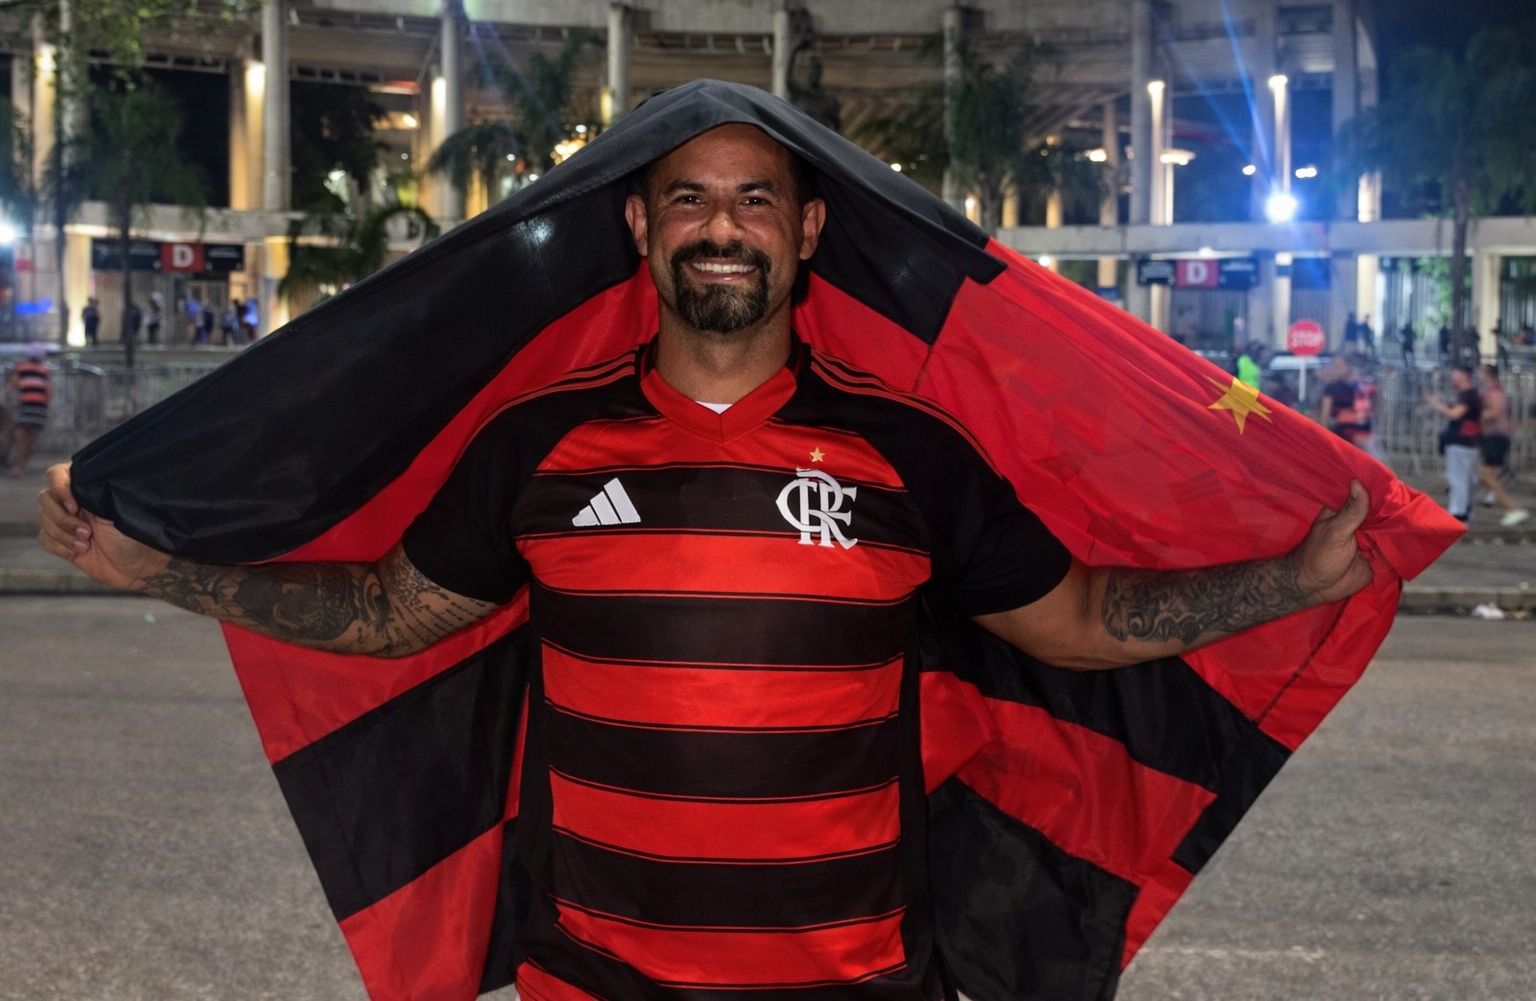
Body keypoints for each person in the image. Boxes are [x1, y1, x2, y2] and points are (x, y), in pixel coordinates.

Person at [40, 122, 1374, 1001]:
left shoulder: (912, 450)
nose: (720, 225)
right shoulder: (541, 444)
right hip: (597, 982)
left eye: (754, 200)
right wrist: (163, 570)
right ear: (640, 233)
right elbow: (392, 612)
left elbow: (1078, 621)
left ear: (806, 236)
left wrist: (1291, 585)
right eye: (688, 200)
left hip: (860, 983)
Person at [1426, 365, 1483, 521]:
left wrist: (1436, 405)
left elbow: (1455, 414)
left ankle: (1458, 511)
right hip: (1469, 442)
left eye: (1454, 373)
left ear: (1463, 375)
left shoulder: (1467, 395)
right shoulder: (1472, 395)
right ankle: (1465, 510)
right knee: (1467, 478)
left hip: (1461, 442)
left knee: (1458, 478)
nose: (1451, 377)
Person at [1475, 363, 1528, 527]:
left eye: (1481, 372)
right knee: (1487, 477)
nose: (1478, 375)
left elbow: (1495, 412)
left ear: (1487, 374)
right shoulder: (1490, 392)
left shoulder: (1496, 392)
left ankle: (1514, 509)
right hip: (1494, 437)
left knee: (1486, 476)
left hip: (1497, 437)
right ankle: (1496, 501)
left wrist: (1476, 416)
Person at [6, 344, 51, 477]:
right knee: (29, 438)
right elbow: (49, 391)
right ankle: (21, 464)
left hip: (26, 406)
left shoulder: (21, 368)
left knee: (21, 437)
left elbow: (12, 385)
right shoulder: (44, 371)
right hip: (39, 408)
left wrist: (9, 399)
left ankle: (18, 466)